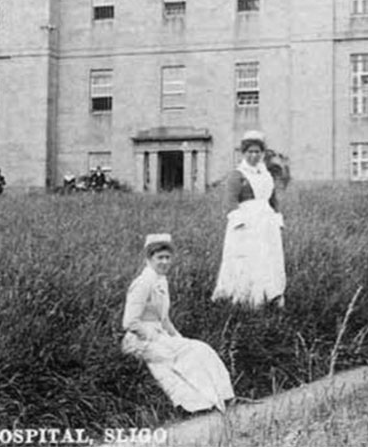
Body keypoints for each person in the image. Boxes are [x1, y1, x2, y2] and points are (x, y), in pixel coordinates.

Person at [121, 234, 235, 413]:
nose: (165, 262)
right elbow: (129, 322)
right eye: (160, 258)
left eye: (167, 257)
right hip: (140, 339)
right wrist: (153, 337)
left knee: (199, 348)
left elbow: (165, 319)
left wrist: (179, 339)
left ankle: (219, 398)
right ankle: (196, 405)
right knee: (181, 357)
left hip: (160, 335)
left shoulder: (161, 280)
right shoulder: (143, 283)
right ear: (149, 259)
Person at [211, 130, 286, 308]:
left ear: (262, 153)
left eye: (257, 152)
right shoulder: (237, 175)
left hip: (266, 222)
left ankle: (271, 294)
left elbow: (272, 199)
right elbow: (230, 200)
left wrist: (277, 218)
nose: (254, 155)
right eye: (250, 152)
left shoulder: (266, 174)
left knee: (269, 257)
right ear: (243, 153)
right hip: (246, 223)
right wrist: (240, 222)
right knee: (246, 257)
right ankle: (244, 297)